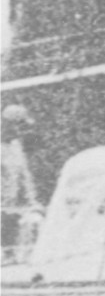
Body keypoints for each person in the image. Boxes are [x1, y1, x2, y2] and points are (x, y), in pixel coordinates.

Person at [2, 105, 43, 254]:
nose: (19, 130)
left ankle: (19, 252)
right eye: (17, 125)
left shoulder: (15, 145)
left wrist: (32, 198)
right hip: (6, 201)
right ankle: (8, 253)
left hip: (15, 200)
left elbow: (24, 174)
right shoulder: (5, 148)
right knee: (7, 220)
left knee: (24, 223)